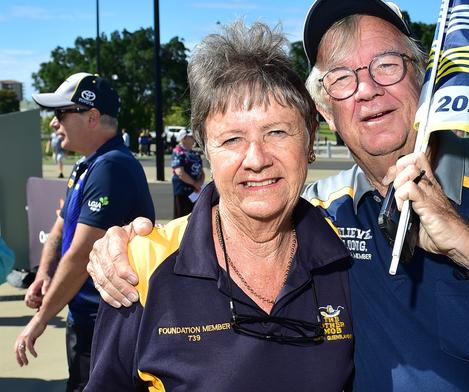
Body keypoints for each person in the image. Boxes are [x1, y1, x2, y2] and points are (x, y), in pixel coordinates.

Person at [88, 0, 469, 391]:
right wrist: (125, 245)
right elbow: (245, 210)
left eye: (387, 66)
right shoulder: (328, 210)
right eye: (342, 78)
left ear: (423, 79)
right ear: (326, 110)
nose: (368, 90)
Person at [85, 21, 353, 391]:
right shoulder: (141, 266)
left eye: (277, 131)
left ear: (309, 140)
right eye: (232, 139)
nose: (256, 159)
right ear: (205, 150)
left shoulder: (348, 257)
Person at [15, 72, 155, 392]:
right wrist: (44, 274)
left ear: (92, 117)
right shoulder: (88, 164)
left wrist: (38, 322)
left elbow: (80, 256)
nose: (53, 123)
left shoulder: (111, 167)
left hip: (104, 323)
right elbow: (61, 226)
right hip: (87, 317)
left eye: (61, 113)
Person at [171, 128, 205, 218]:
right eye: (190, 136)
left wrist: (199, 184)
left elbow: (202, 172)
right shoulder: (178, 152)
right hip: (183, 190)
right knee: (182, 216)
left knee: (196, 216)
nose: (193, 138)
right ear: (184, 138)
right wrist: (195, 184)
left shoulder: (195, 154)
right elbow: (180, 172)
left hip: (196, 190)